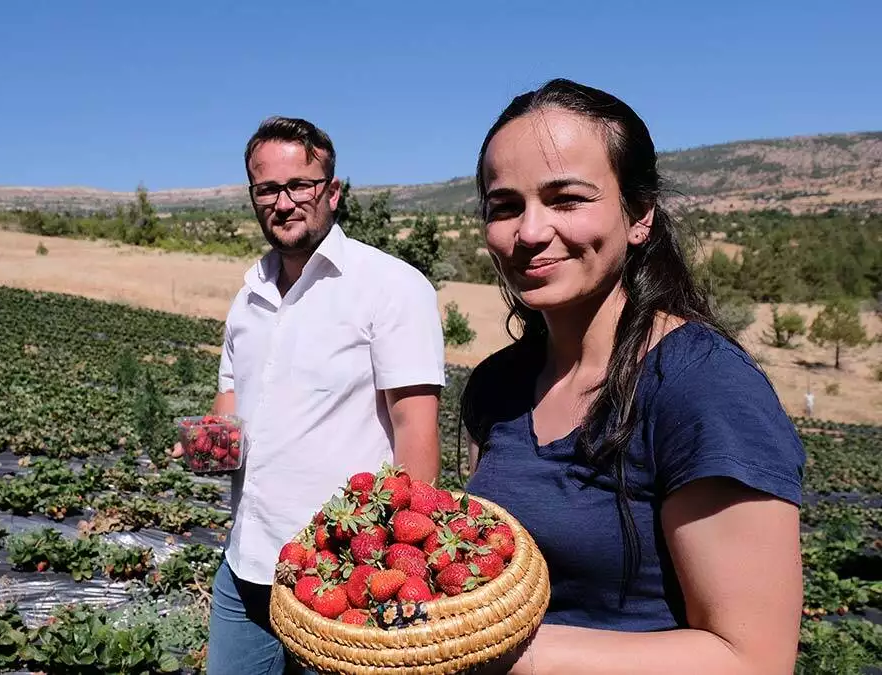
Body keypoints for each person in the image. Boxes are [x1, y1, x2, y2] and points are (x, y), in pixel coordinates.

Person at [458, 79, 806, 674]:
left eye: (566, 198)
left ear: (639, 215)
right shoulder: (497, 387)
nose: (531, 232)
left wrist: (495, 654)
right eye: (505, 206)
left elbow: (752, 660)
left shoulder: (701, 387)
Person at [174, 116, 447, 675]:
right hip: (247, 562)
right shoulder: (247, 297)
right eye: (267, 188)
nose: (284, 201)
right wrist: (203, 447)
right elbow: (231, 411)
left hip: (342, 574)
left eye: (301, 185)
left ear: (332, 191)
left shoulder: (391, 287)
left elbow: (415, 433)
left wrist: (409, 576)